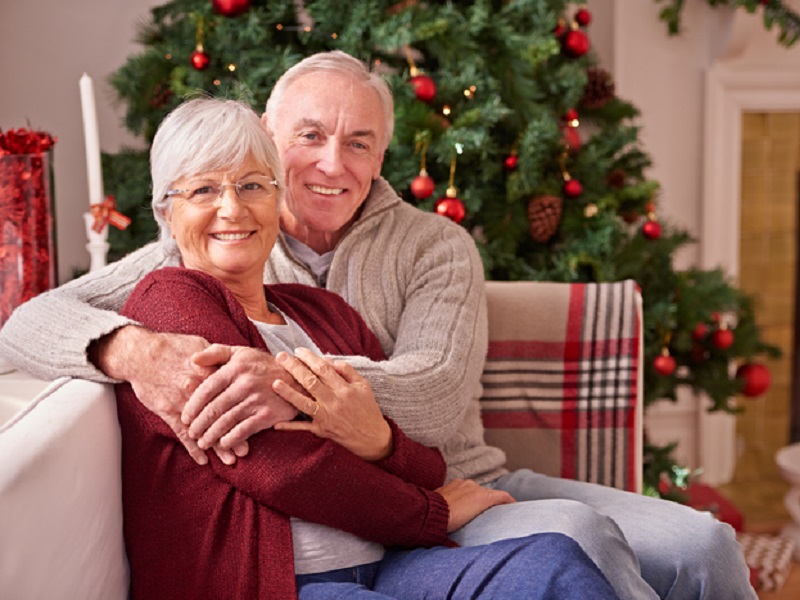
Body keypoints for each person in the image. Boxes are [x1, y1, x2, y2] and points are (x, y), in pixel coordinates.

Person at [0, 51, 755, 599]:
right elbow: (29, 321)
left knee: (707, 541)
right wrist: (131, 349)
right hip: (375, 519)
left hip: (461, 476)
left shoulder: (425, 249)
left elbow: (431, 396)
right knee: (576, 544)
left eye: (359, 142)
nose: (333, 163)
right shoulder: (190, 251)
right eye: (309, 137)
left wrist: (287, 383)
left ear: (384, 155)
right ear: (268, 135)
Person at [116, 96, 620, 599]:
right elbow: (277, 465)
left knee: (554, 566)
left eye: (252, 186)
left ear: (276, 199)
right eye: (204, 189)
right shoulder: (169, 301)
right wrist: (433, 513)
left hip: (389, 567)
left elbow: (427, 463)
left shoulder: (323, 313)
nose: (232, 208)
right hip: (272, 586)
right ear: (166, 209)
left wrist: (378, 440)